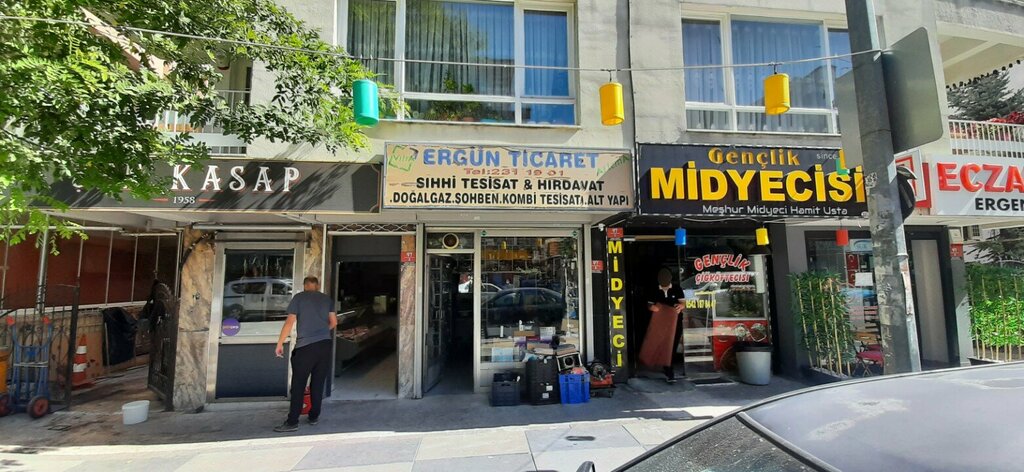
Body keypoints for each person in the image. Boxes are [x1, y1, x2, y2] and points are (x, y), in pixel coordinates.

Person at [274, 276, 337, 432]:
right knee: (318, 382)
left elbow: (289, 322)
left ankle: (292, 422)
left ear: (305, 285)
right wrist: (322, 331)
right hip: (324, 345)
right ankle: (314, 416)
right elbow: (334, 322)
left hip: (305, 347)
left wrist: (280, 343)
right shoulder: (327, 299)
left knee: (298, 384)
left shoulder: (299, 298)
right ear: (317, 285)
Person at [638, 268, 685, 384]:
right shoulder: (653, 289)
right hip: (659, 323)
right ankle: (661, 364)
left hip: (674, 323)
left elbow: (683, 303)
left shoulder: (677, 288)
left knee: (672, 345)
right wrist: (652, 308)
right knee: (659, 343)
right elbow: (649, 304)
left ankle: (669, 368)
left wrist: (681, 306)